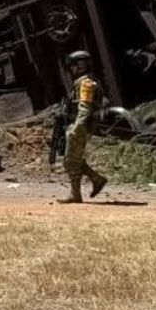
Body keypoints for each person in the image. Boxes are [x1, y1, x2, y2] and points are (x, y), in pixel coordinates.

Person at [58, 50, 108, 204]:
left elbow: (84, 107)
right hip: (80, 126)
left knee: (69, 160)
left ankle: (76, 194)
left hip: (81, 127)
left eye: (73, 66)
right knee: (73, 159)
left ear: (80, 66)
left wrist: (77, 127)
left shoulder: (85, 83)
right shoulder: (82, 82)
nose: (70, 69)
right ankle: (96, 179)